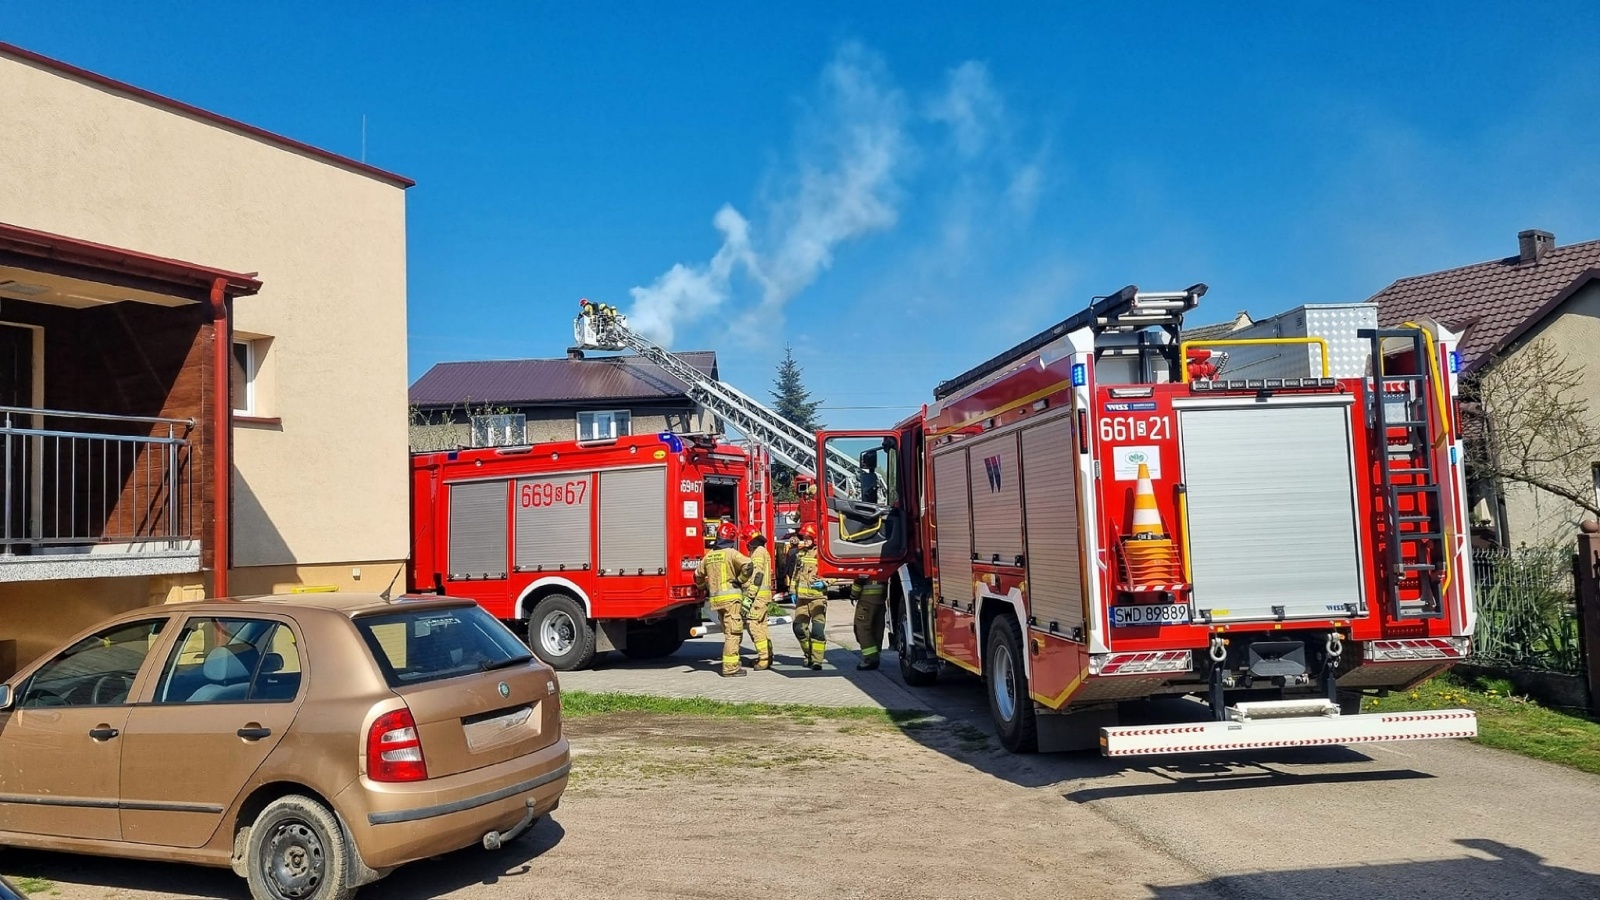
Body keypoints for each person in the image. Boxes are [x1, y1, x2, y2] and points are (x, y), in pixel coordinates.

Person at [695, 520, 752, 677]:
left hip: (716, 601)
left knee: (727, 632)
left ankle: (732, 663)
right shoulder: (731, 553)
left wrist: (703, 587)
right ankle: (730, 668)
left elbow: (697, 575)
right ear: (732, 538)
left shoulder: (709, 556)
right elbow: (749, 566)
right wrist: (740, 580)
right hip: (731, 600)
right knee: (733, 633)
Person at [790, 524, 828, 670]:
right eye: (804, 537)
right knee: (798, 628)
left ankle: (817, 661)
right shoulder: (800, 554)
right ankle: (809, 654)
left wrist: (825, 582)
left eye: (808, 537)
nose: (804, 540)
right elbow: (796, 574)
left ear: (815, 538)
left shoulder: (822, 553)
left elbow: (832, 573)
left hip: (818, 598)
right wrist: (792, 591)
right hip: (802, 599)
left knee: (817, 631)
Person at [739, 524, 774, 670]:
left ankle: (764, 658)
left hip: (757, 597)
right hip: (762, 597)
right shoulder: (762, 550)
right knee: (762, 627)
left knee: (753, 626)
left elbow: (757, 576)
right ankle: (767, 655)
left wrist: (749, 597)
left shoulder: (758, 553)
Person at [850, 575, 889, 670]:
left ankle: (870, 659)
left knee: (862, 629)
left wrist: (853, 594)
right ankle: (876, 654)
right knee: (877, 628)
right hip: (881, 601)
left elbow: (860, 577)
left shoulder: (866, 565)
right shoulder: (883, 566)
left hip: (866, 601)